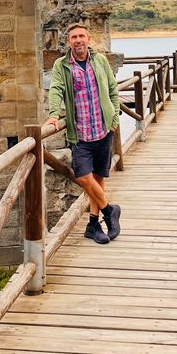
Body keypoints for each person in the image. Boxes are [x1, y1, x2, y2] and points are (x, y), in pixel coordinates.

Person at [44, 23, 121, 244]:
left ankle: (93, 225)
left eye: (81, 36)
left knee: (98, 178)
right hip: (81, 135)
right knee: (83, 177)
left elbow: (113, 90)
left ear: (88, 39)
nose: (78, 40)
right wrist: (52, 115)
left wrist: (114, 120)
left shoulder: (100, 61)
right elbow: (57, 88)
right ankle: (110, 210)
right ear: (69, 42)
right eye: (73, 37)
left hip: (103, 130)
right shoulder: (62, 65)